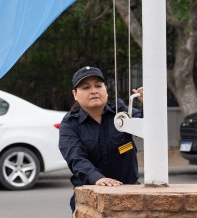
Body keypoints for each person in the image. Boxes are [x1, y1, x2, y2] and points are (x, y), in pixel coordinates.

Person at [58, 66, 144, 214]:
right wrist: (97, 178)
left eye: (98, 85)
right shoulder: (70, 124)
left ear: (106, 90)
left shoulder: (122, 112)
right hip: (90, 198)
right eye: (86, 87)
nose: (94, 91)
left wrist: (150, 105)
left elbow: (151, 127)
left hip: (129, 193)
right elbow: (76, 158)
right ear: (75, 94)